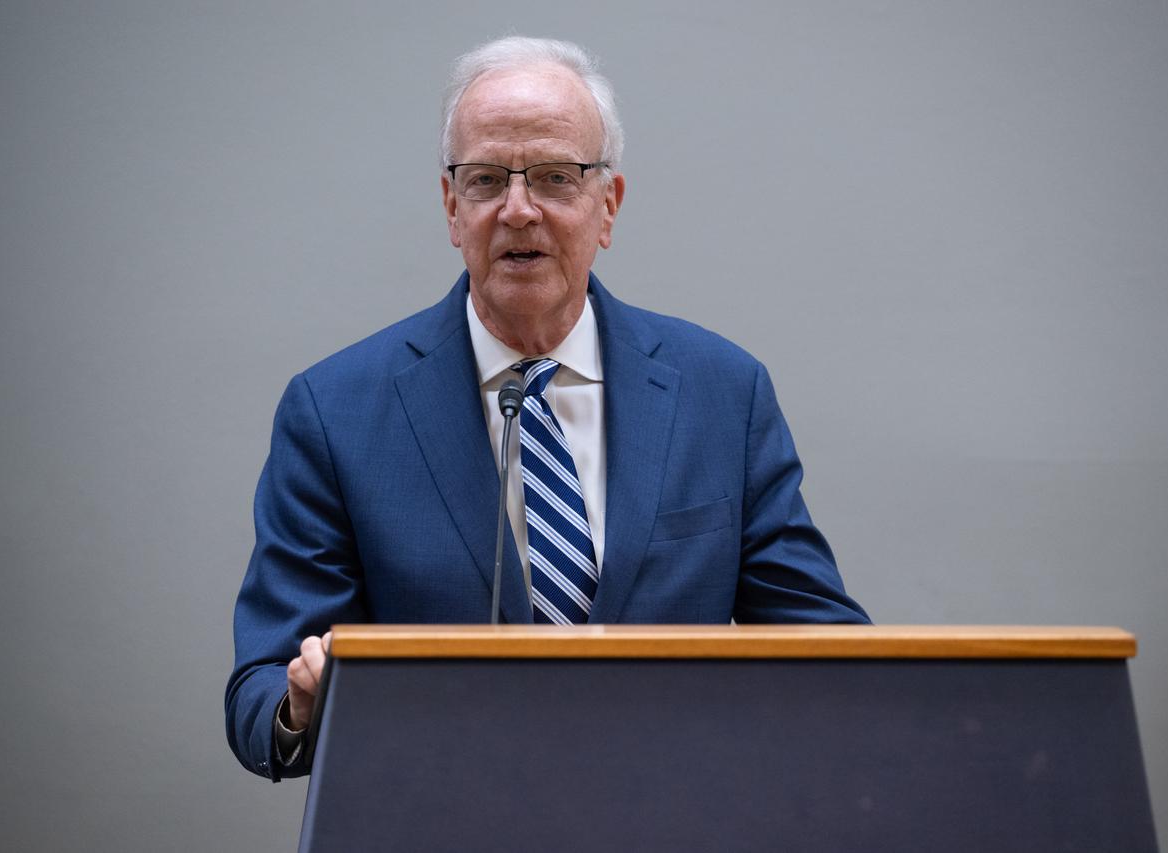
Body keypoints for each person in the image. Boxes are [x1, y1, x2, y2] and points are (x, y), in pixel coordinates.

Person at [226, 35, 869, 781]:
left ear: (608, 206)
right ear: (451, 206)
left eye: (556, 178)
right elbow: (260, 692)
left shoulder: (722, 393)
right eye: (488, 179)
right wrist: (299, 704)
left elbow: (830, 652)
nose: (519, 210)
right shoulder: (334, 411)